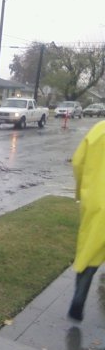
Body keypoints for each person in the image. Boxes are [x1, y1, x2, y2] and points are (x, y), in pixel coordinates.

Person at [68, 120, 105, 321]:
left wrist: (83, 191)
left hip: (97, 203)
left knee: (88, 255)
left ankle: (78, 300)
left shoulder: (98, 130)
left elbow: (78, 162)